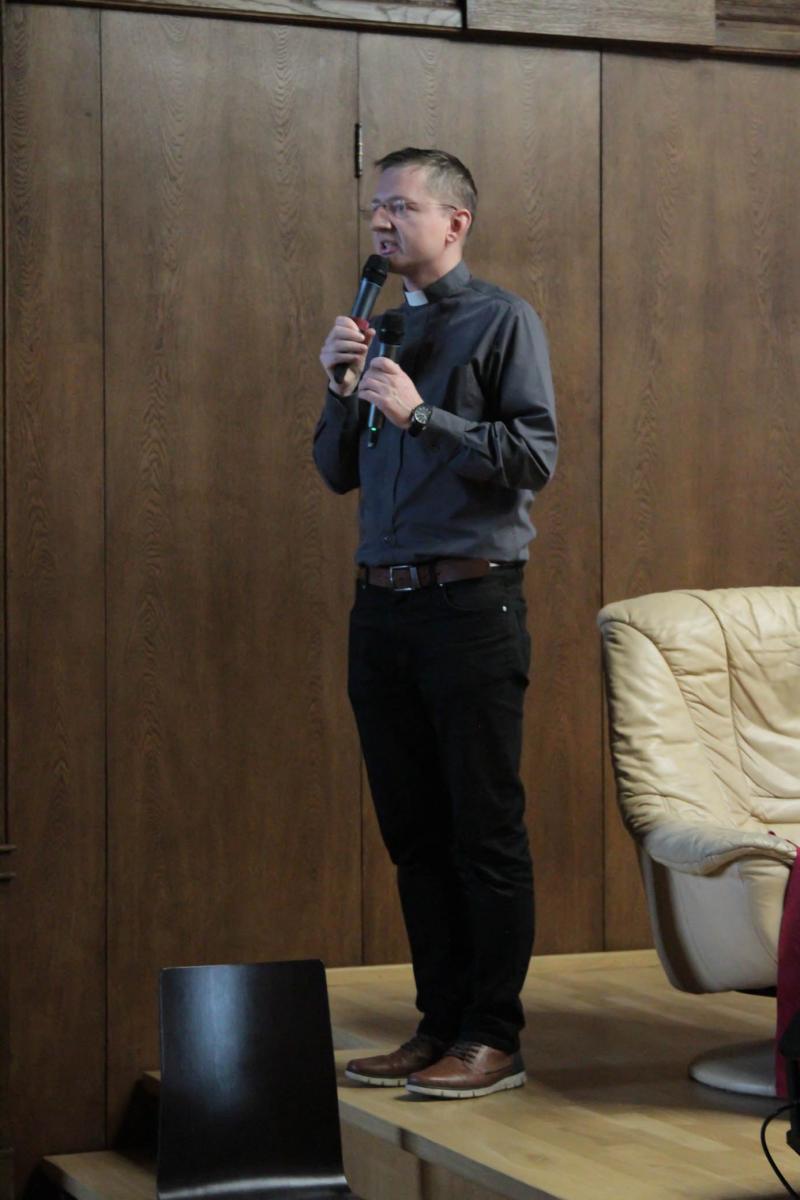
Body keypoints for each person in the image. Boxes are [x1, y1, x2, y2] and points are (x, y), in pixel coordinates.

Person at [313, 148, 558, 1100]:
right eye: (375, 207)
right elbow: (336, 471)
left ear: (455, 222)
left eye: (400, 207)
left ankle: (494, 1035)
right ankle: (438, 1025)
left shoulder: (503, 320)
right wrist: (340, 390)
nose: (381, 222)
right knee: (413, 832)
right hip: (381, 611)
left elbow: (533, 458)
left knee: (481, 831)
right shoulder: (376, 329)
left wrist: (423, 417)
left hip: (470, 606)